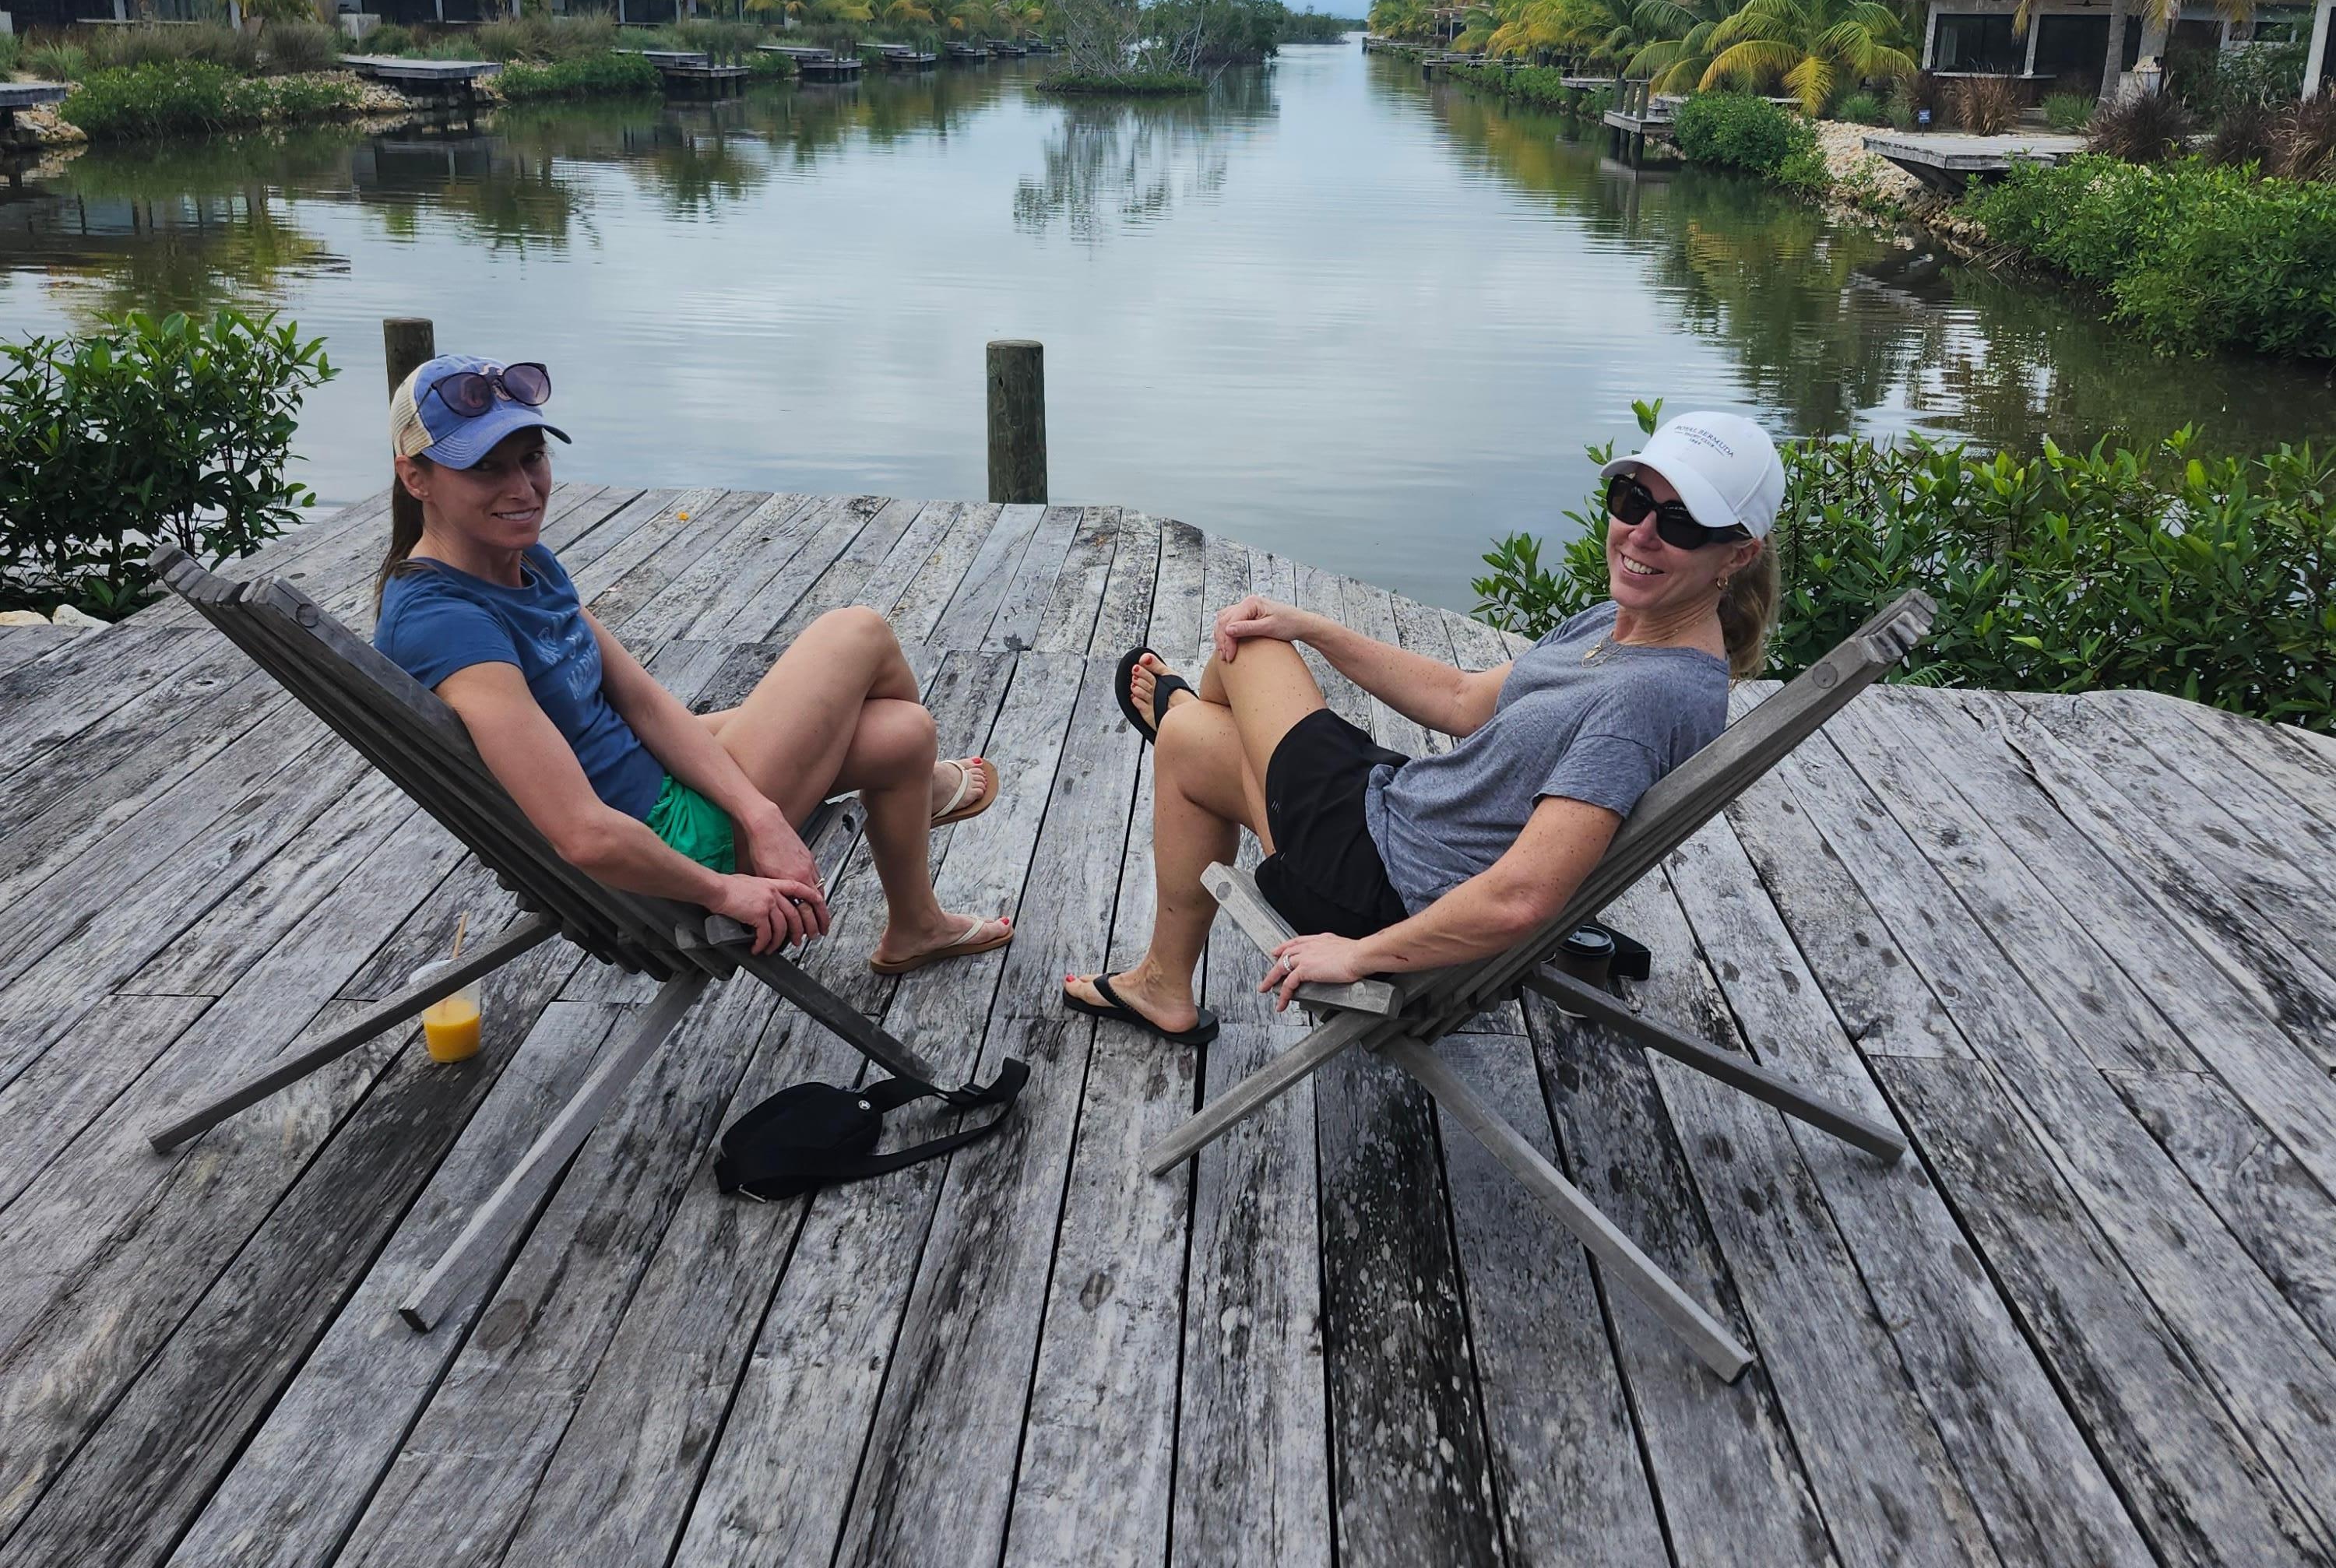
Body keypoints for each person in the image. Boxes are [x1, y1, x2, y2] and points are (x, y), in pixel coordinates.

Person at [1064, 410, 1784, 1040]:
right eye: (1632, 500)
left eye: (1683, 523)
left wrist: (1356, 956)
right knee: (1201, 735)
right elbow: (1464, 700)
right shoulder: (1625, 623)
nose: (1642, 533)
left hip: (1376, 890)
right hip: (1402, 814)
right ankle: (1162, 978)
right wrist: (1314, 627)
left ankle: (1186, 711)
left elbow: (1523, 897)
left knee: (1249, 647)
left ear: (1739, 553)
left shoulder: (1648, 698)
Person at [373, 354, 1011, 976]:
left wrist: (761, 814)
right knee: (857, 631)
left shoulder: (521, 559)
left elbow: (642, 703)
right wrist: (723, 891)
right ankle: (918, 798)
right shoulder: (445, 623)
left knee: (905, 734)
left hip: (645, 779)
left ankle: (916, 924)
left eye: (531, 458)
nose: (521, 488)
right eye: (485, 469)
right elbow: (584, 835)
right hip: (669, 841)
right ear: (416, 478)